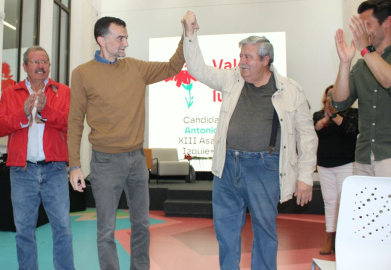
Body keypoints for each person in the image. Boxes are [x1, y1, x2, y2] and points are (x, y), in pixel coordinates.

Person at [181, 12, 317, 270]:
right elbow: (198, 70)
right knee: (226, 231)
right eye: (241, 56)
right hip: (227, 165)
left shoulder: (290, 90)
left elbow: (307, 137)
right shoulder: (232, 79)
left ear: (266, 60)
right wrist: (190, 35)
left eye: (248, 57)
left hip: (265, 168)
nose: (241, 62)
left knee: (265, 231)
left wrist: (305, 176)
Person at [67, 16, 185, 270]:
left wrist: (186, 34)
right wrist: (74, 165)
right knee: (106, 230)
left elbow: (173, 67)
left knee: (142, 225)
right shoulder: (82, 74)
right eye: (120, 38)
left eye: (126, 37)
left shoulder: (135, 68)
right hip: (105, 161)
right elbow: (75, 121)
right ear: (102, 40)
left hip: (137, 159)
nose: (125, 43)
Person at [0, 46, 75, 270]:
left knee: (62, 229)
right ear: (25, 67)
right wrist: (23, 114)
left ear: (49, 66)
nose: (40, 66)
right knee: (24, 230)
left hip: (55, 170)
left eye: (45, 62)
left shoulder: (63, 91)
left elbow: (71, 123)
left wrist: (45, 111)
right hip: (22, 172)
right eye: (35, 62)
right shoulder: (10, 93)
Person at [332, 0, 391, 177]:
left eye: (367, 25)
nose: (362, 32)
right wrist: (345, 63)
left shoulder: (367, 55)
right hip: (364, 155)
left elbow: (388, 81)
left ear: (387, 23)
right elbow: (339, 103)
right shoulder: (361, 65)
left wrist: (365, 49)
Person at [313, 85, 359, 255]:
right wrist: (326, 117)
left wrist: (334, 114)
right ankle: (330, 238)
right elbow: (317, 129)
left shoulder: (353, 114)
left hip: (347, 164)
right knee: (330, 201)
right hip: (325, 165)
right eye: (328, 97)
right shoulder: (319, 115)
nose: (330, 100)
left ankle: (346, 239)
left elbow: (351, 130)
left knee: (346, 203)